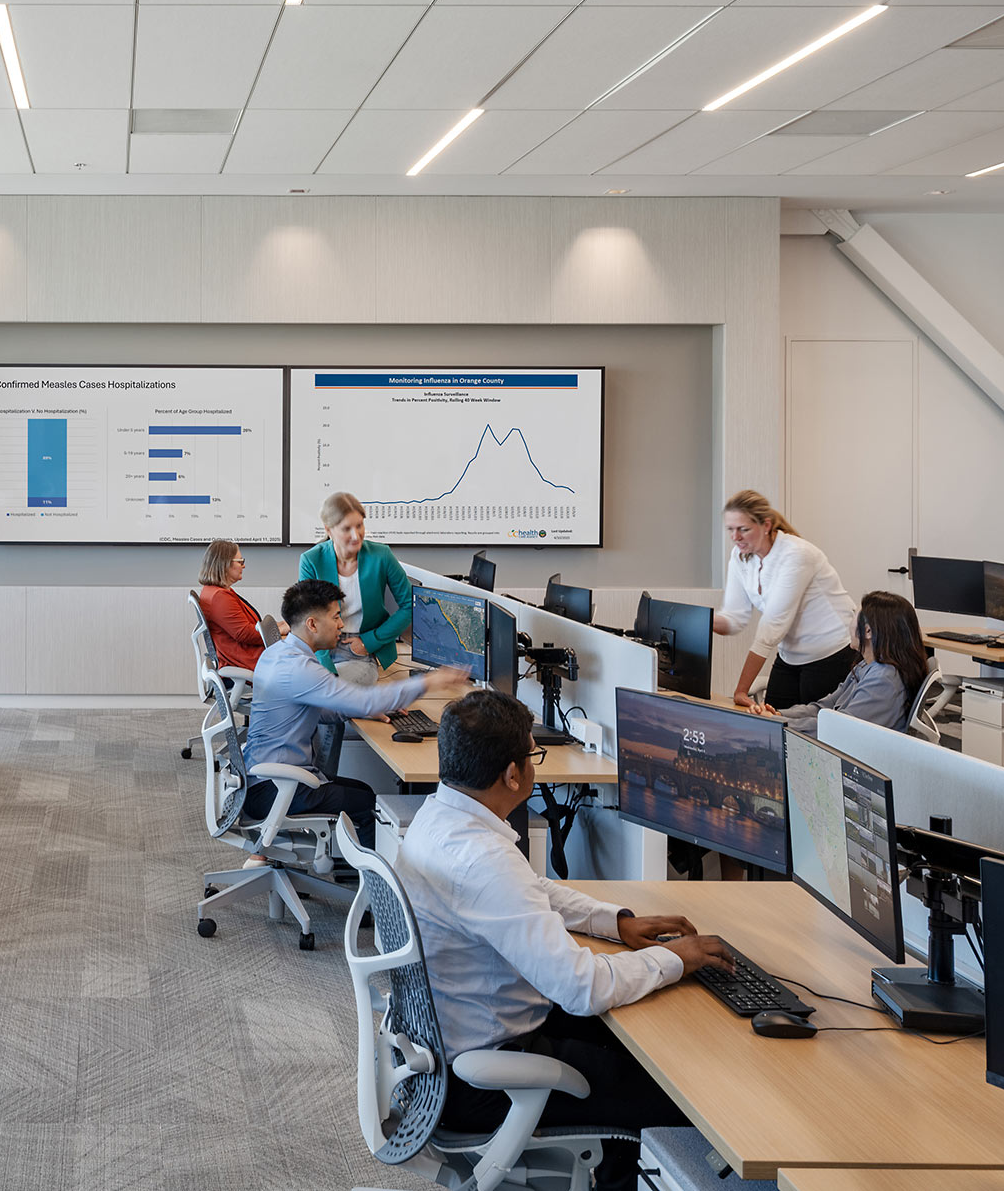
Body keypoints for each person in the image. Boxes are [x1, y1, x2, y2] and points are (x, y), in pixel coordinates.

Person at [397, 691, 734, 1191]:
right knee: (678, 1095)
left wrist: (614, 922)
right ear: (513, 775)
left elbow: (529, 889)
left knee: (640, 1045)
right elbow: (582, 988)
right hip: (485, 1080)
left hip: (448, 1047)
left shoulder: (441, 817)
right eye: (532, 755)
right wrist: (672, 958)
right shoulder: (483, 859)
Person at [245, 579, 467, 848]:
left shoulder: (280, 652)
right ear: (312, 624)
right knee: (368, 805)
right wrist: (428, 681)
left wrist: (358, 710)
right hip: (275, 787)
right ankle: (371, 873)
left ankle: (356, 861)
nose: (341, 625)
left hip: (265, 779)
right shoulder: (299, 668)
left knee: (363, 791)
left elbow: (316, 709)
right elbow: (364, 699)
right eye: (335, 617)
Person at [714, 489, 857, 710]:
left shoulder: (796, 554)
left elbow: (772, 627)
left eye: (743, 529)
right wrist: (699, 621)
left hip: (830, 652)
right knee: (773, 720)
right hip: (790, 655)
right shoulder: (740, 557)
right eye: (730, 529)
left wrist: (741, 690)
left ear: (766, 525)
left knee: (813, 726)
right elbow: (734, 618)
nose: (735, 537)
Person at [748, 590, 926, 736]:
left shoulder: (883, 679)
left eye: (854, 616)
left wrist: (777, 722)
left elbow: (838, 728)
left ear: (868, 631)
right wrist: (778, 715)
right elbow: (824, 707)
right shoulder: (866, 666)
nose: (849, 623)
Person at [297, 492, 413, 686]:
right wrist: (325, 667)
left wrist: (370, 641)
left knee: (327, 690)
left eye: (359, 525)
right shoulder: (311, 560)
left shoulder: (381, 555)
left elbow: (410, 605)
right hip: (320, 648)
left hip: (359, 649)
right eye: (346, 529)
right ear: (329, 530)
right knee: (309, 686)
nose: (355, 535)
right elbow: (307, 617)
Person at [197, 540, 277, 672]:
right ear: (225, 564)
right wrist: (277, 631)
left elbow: (245, 628)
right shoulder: (219, 597)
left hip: (245, 657)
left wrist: (278, 628)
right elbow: (245, 634)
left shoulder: (216, 592)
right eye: (240, 562)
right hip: (247, 662)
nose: (243, 566)